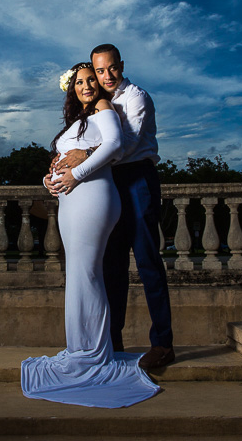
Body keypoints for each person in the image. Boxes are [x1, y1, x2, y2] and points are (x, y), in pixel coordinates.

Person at [21, 62, 159, 408]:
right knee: (79, 277)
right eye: (79, 82)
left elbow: (113, 146)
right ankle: (81, 348)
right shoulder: (77, 120)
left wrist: (76, 175)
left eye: (89, 80)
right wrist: (51, 180)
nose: (86, 86)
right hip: (71, 200)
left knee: (88, 275)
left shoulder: (104, 108)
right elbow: (60, 161)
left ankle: (93, 356)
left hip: (94, 198)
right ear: (72, 88)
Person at [51, 44, 174, 370]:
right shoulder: (93, 104)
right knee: (113, 267)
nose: (105, 76)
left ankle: (163, 343)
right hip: (109, 182)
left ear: (121, 65)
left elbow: (125, 146)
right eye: (99, 71)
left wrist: (83, 156)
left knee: (147, 261)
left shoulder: (136, 98)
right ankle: (113, 340)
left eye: (111, 69)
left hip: (137, 179)